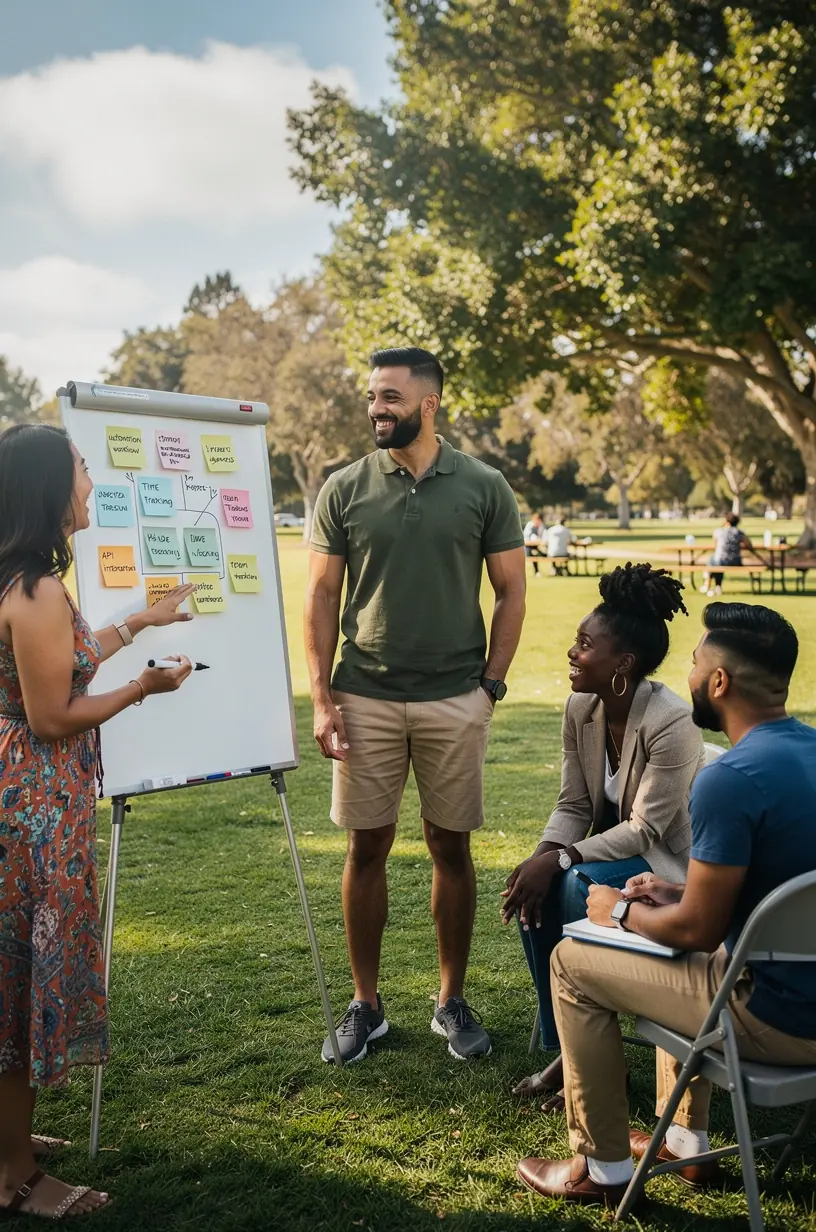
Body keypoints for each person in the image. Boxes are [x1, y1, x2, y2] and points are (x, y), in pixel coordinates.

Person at [516, 602, 816, 1208]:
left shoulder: (730, 778)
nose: (688, 675)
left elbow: (696, 932)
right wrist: (675, 891)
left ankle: (599, 1169)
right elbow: (777, 888)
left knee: (573, 964)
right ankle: (682, 1140)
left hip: (777, 1019)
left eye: (696, 663)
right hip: (798, 992)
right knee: (674, 951)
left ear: (720, 683)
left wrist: (617, 913)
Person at [306, 346, 526, 1065]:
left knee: (449, 846)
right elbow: (319, 597)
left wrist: (489, 684)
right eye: (373, 396)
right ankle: (365, 1006)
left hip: (454, 698)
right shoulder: (343, 487)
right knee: (366, 845)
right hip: (363, 695)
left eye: (391, 397)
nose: (377, 408)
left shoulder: (485, 485)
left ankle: (449, 1000)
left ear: (429, 404)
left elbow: (512, 591)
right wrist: (321, 695)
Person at [0, 424, 194, 1220]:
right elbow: (55, 715)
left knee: (8, 973)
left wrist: (139, 623)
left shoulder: (23, 580)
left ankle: (9, 1138)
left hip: (24, 802)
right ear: (50, 488)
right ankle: (15, 1178)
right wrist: (145, 688)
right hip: (32, 811)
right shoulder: (36, 590)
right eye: (82, 469)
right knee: (17, 985)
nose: (91, 482)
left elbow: (67, 661)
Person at [504, 564, 702, 1110]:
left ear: (623, 665)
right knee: (540, 884)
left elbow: (647, 829)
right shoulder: (581, 708)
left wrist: (563, 858)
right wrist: (541, 857)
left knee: (570, 885)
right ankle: (574, 1051)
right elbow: (573, 804)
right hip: (606, 855)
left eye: (585, 645)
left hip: (665, 865)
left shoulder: (670, 721)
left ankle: (585, 1061)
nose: (572, 652)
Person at [701, 511, 753, 596]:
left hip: (720, 561)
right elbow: (749, 545)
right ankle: (713, 586)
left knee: (714, 560)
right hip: (735, 561)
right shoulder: (739, 532)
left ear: (726, 521)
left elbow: (715, 546)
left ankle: (709, 584)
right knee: (715, 560)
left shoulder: (719, 531)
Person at [523, 512, 546, 577]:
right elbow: (526, 539)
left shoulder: (541, 526)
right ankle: (536, 571)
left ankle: (554, 570)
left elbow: (543, 537)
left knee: (545, 554)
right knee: (531, 555)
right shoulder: (530, 525)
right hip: (528, 546)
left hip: (537, 545)